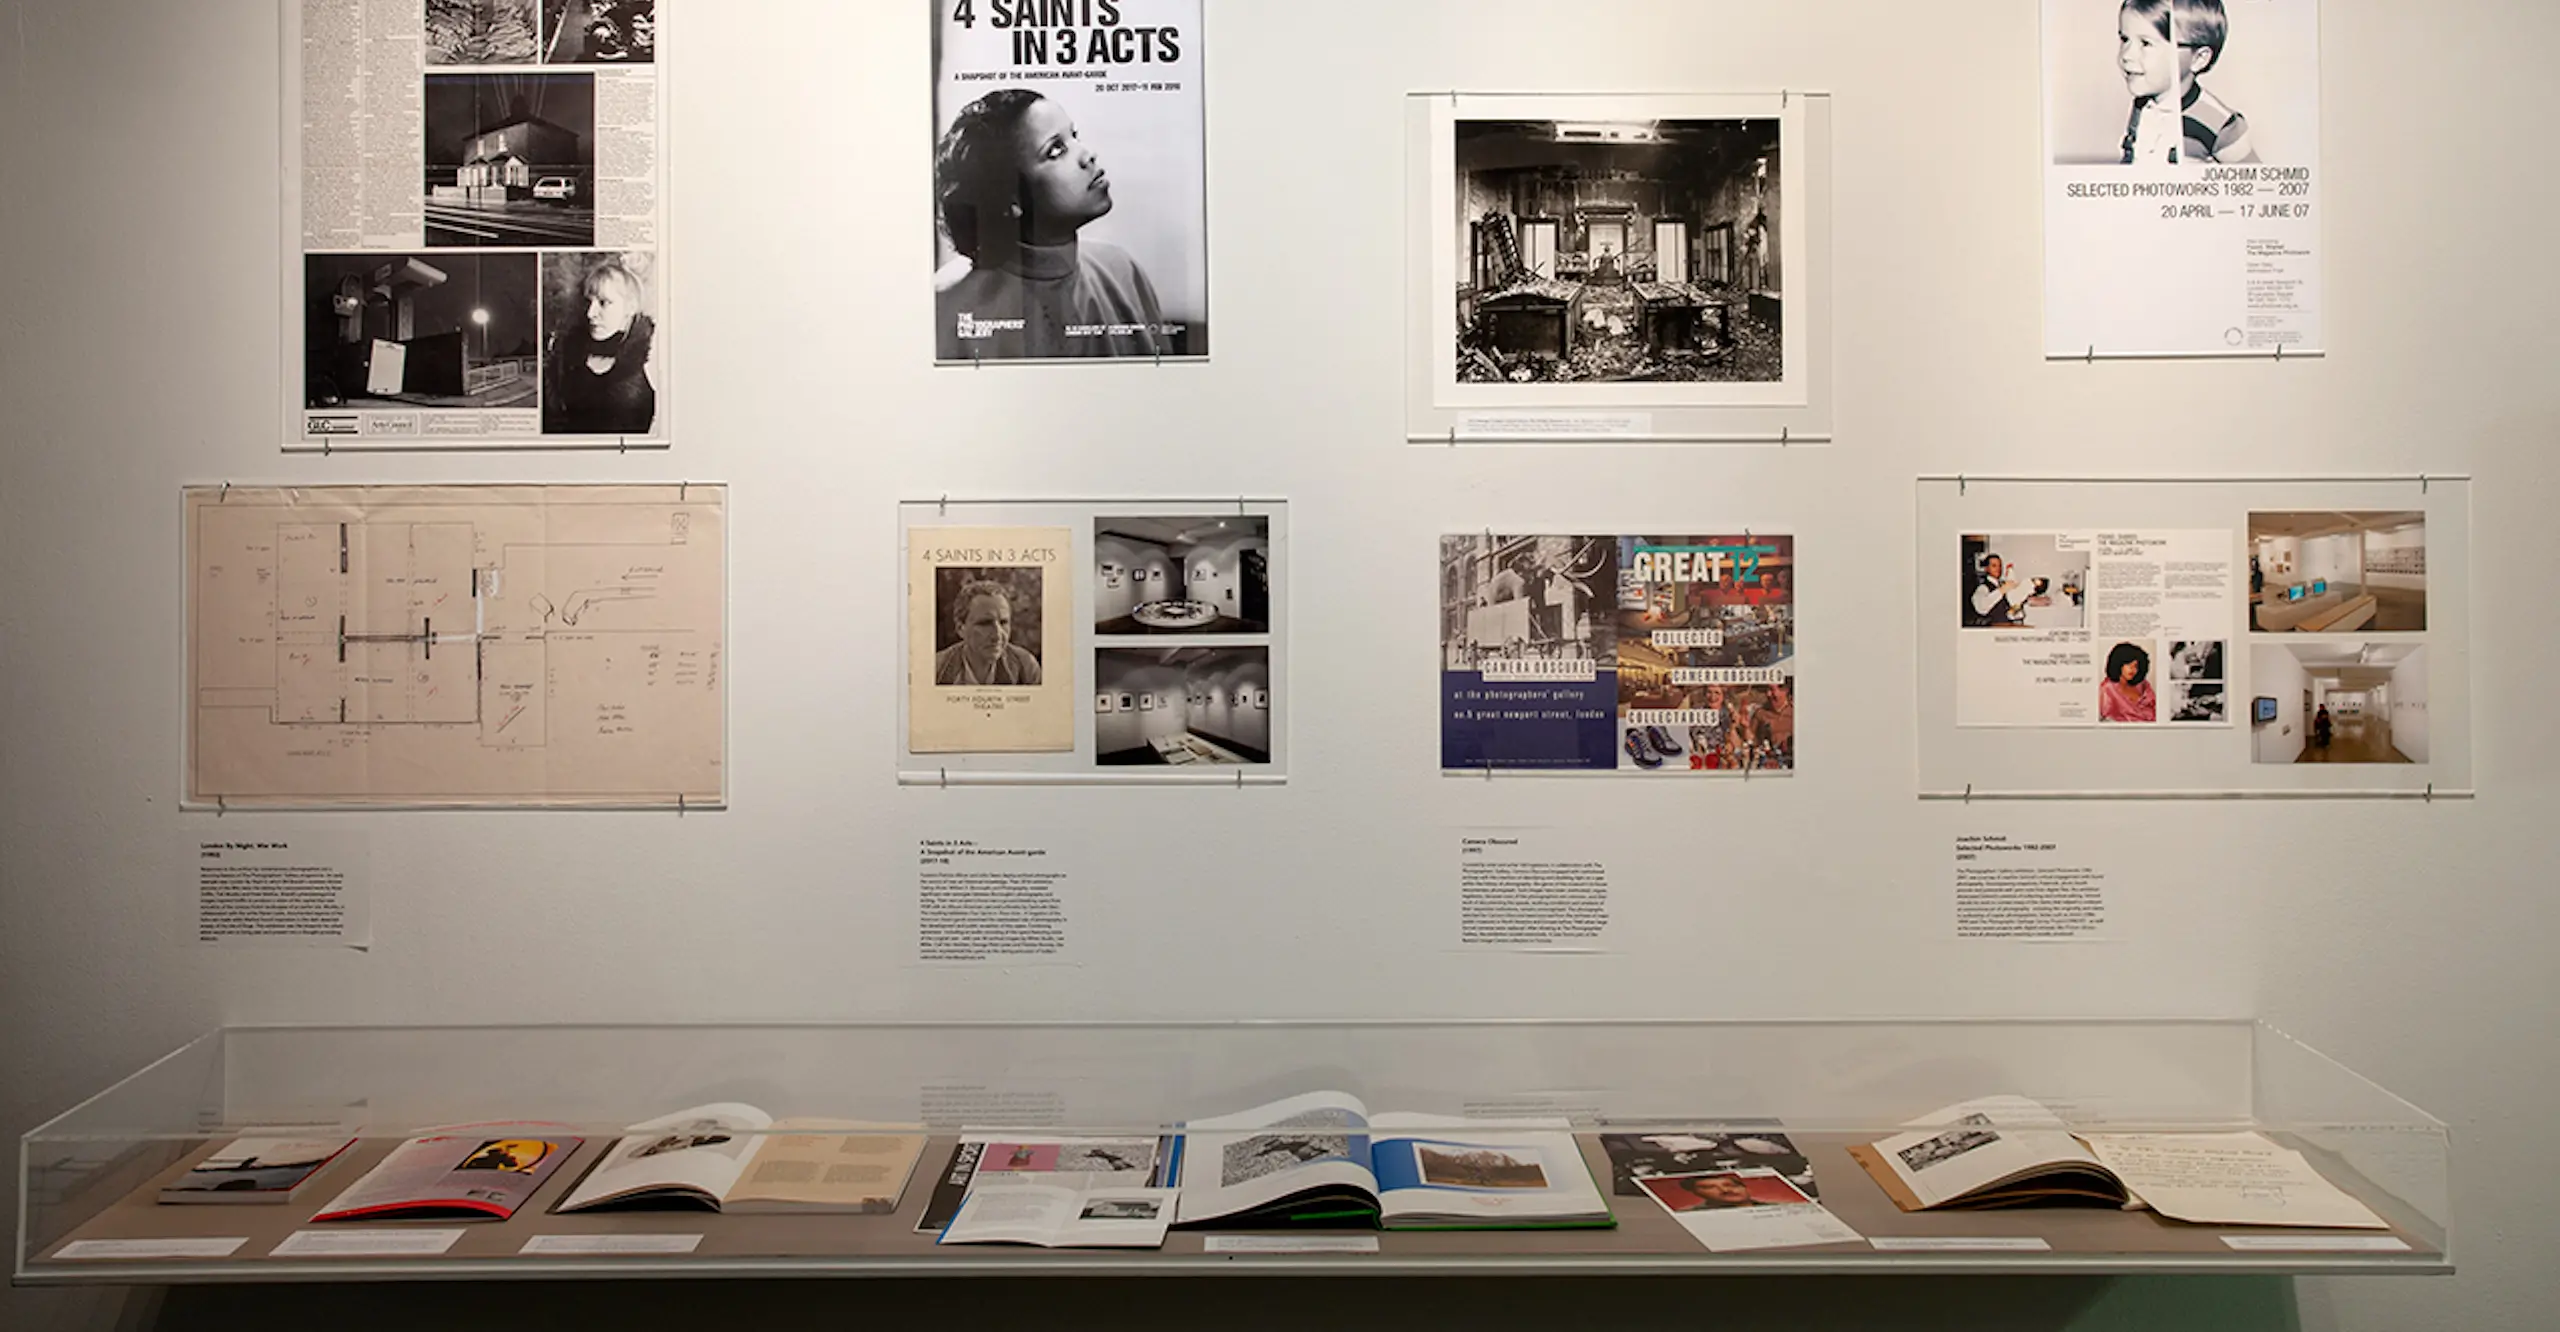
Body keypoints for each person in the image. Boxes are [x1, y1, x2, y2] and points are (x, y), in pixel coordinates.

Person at [934, 89, 1167, 360]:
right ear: (1011, 197)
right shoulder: (944, 305)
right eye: (1056, 150)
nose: (1088, 155)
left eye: (1074, 136)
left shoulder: (1122, 271)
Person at [2117, 0, 2256, 166]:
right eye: (2125, 40)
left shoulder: (2220, 124)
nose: (2126, 55)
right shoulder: (2142, 105)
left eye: (2146, 43)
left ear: (2199, 59)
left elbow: (2256, 185)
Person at [544, 258, 657, 434]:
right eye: (589, 302)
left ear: (630, 307)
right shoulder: (564, 360)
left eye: (604, 302)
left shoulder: (652, 363)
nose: (591, 314)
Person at [934, 579, 1043, 686]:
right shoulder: (937, 670)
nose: (997, 635)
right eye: (985, 623)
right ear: (960, 628)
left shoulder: (1026, 667)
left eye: (1003, 622)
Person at [1967, 555, 2040, 627]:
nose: (1998, 569)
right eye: (1994, 566)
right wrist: (2002, 590)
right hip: (1995, 628)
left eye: (2000, 566)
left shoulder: (2004, 584)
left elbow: (2013, 606)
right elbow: (1981, 607)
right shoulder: (1983, 587)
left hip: (2011, 626)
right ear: (1987, 569)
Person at [2099, 642, 2156, 723]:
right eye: (2129, 664)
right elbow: (2107, 718)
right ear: (2119, 663)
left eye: (2135, 666)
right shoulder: (2107, 689)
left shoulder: (2143, 684)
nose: (2133, 670)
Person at [1669, 1173, 1757, 1212]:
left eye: (1731, 1185)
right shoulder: (1685, 1213)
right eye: (1710, 1187)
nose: (1725, 1190)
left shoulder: (1770, 1205)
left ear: (1746, 1188)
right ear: (1696, 1193)